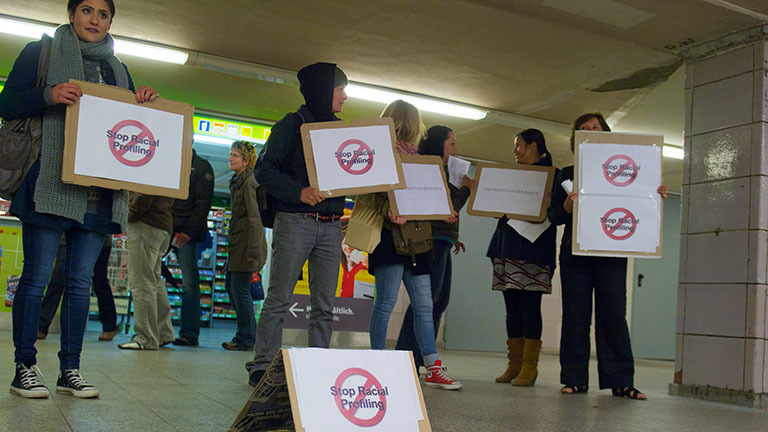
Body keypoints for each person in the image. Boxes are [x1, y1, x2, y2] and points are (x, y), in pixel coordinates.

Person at [0, 0, 158, 399]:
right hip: (48, 183)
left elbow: (127, 127)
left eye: (103, 14)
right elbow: (7, 103)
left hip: (99, 191)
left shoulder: (118, 69)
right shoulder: (43, 51)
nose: (95, 20)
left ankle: (70, 368)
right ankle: (25, 367)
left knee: (79, 284)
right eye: (87, 10)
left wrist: (142, 102)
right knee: (36, 278)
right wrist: (48, 94)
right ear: (72, 14)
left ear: (110, 22)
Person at [550, 113, 668, 400]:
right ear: (576, 138)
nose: (592, 131)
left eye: (596, 127)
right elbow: (554, 216)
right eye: (585, 129)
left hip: (612, 252)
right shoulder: (566, 173)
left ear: (607, 132)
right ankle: (574, 378)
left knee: (613, 315)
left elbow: (640, 202)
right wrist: (567, 205)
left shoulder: (627, 172)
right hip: (575, 253)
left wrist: (655, 195)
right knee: (575, 317)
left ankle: (621, 381)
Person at [245, 62, 348, 386]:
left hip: (332, 226)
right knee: (279, 297)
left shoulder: (342, 131)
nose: (344, 96)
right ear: (321, 89)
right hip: (295, 221)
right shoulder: (292, 124)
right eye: (340, 88)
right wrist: (298, 191)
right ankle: (262, 365)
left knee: (325, 304)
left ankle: (317, 363)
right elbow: (264, 170)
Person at [368, 100, 462, 390]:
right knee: (387, 303)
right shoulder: (381, 155)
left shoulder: (419, 159)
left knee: (424, 305)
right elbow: (370, 198)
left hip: (417, 237)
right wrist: (389, 212)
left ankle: (432, 365)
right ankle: (378, 363)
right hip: (389, 237)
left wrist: (441, 209)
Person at [394, 125, 474, 372]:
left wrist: (454, 236)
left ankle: (418, 357)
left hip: (443, 242)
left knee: (438, 301)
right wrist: (467, 190)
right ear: (440, 145)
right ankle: (406, 357)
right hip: (431, 242)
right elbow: (445, 208)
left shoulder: (445, 171)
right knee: (425, 302)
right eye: (452, 143)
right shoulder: (430, 170)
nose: (456, 148)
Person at [487, 128, 557, 386]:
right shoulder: (511, 175)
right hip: (506, 247)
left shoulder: (553, 176)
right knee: (511, 309)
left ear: (535, 145)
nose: (515, 150)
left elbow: (558, 214)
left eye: (519, 145)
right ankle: (513, 363)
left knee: (530, 308)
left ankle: (530, 366)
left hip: (534, 250)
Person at [222, 140, 268, 351]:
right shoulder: (238, 181)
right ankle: (248, 334)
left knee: (240, 291)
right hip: (238, 243)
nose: (230, 158)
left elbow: (254, 218)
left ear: (246, 160)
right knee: (233, 287)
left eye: (235, 155)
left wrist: (253, 251)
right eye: (231, 154)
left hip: (246, 244)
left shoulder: (249, 182)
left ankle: (246, 338)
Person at [118, 192, 175, 350]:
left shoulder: (151, 166)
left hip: (146, 223)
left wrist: (132, 212)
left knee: (142, 281)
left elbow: (145, 192)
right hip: (163, 223)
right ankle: (163, 332)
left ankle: (146, 337)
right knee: (154, 280)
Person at [170, 149, 214, 347]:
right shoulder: (170, 159)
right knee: (150, 276)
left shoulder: (202, 166)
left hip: (186, 234)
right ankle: (156, 329)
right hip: (166, 226)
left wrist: (188, 231)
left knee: (189, 284)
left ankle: (189, 333)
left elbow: (203, 203)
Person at [38, 235, 118, 341]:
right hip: (70, 234)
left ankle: (109, 326)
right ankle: (41, 326)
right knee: (57, 280)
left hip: (99, 234)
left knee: (99, 281)